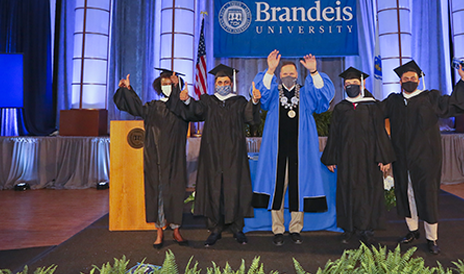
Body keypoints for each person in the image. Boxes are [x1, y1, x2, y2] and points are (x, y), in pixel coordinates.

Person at [382, 60, 464, 255]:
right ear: (400, 81)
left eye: (413, 78)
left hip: (426, 157)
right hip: (401, 156)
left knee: (427, 194)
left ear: (419, 79)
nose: (409, 81)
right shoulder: (393, 101)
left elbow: (454, 103)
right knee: (406, 192)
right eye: (405, 78)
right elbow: (373, 113)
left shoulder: (431, 98)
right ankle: (412, 231)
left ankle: (432, 238)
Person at [253, 50, 335, 246]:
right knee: (277, 188)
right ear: (280, 76)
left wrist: (314, 72)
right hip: (276, 151)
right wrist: (270, 70)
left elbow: (323, 97)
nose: (288, 76)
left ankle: (296, 228)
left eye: (291, 73)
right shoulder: (273, 93)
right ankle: (278, 230)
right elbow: (259, 94)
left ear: (297, 75)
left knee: (300, 188)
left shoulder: (306, 93)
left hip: (301, 150)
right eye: (284, 74)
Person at [176, 64, 260, 247]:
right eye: (220, 81)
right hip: (212, 153)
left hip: (234, 153)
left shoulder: (238, 102)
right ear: (215, 84)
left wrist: (253, 101)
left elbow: (249, 117)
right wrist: (187, 100)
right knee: (214, 187)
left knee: (234, 187)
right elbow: (196, 111)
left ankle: (237, 228)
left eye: (226, 81)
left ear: (232, 83)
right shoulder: (208, 101)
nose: (223, 84)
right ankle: (215, 228)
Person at [113, 68, 190, 249]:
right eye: (164, 83)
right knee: (158, 193)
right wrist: (128, 91)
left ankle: (176, 229)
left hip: (175, 158)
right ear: (158, 86)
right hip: (155, 157)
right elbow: (135, 107)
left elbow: (190, 111)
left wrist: (179, 90)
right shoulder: (153, 106)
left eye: (170, 83)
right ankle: (159, 231)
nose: (167, 86)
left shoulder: (181, 106)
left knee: (176, 192)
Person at [321, 67, 395, 245]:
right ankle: (349, 229)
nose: (351, 86)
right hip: (347, 158)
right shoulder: (340, 108)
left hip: (368, 158)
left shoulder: (372, 106)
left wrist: (384, 157)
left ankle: (367, 229)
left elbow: (380, 132)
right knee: (346, 191)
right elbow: (335, 134)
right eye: (348, 84)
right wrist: (331, 157)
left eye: (354, 83)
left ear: (362, 84)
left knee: (368, 192)